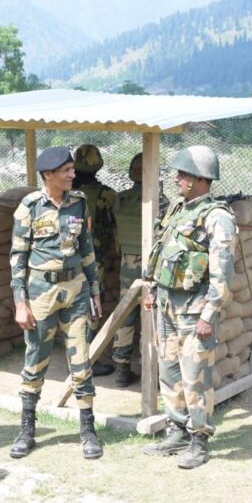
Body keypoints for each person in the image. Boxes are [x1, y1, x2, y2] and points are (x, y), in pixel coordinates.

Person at [141, 146, 237, 469]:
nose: (176, 178)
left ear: (198, 179)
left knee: (195, 375)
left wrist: (210, 314)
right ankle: (176, 429)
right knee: (169, 371)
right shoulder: (177, 211)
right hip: (167, 305)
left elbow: (222, 272)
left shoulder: (218, 218)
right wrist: (152, 288)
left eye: (182, 174)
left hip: (195, 310)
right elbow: (162, 251)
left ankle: (199, 439)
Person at [9, 146, 104, 460]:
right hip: (41, 295)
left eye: (73, 169)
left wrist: (94, 290)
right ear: (48, 175)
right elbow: (17, 259)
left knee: (81, 361)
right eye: (66, 170)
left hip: (75, 291)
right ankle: (27, 431)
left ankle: (88, 432)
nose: (72, 175)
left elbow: (87, 248)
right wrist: (20, 303)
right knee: (35, 360)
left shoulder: (79, 203)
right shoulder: (30, 207)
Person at [111, 152, 169, 387]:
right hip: (152, 268)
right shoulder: (161, 201)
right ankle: (152, 371)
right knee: (153, 317)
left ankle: (122, 369)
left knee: (125, 316)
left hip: (126, 265)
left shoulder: (120, 199)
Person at [72, 144, 117, 377]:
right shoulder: (106, 195)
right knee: (91, 308)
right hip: (93, 261)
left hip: (67, 261)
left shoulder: (64, 193)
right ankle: (87, 361)